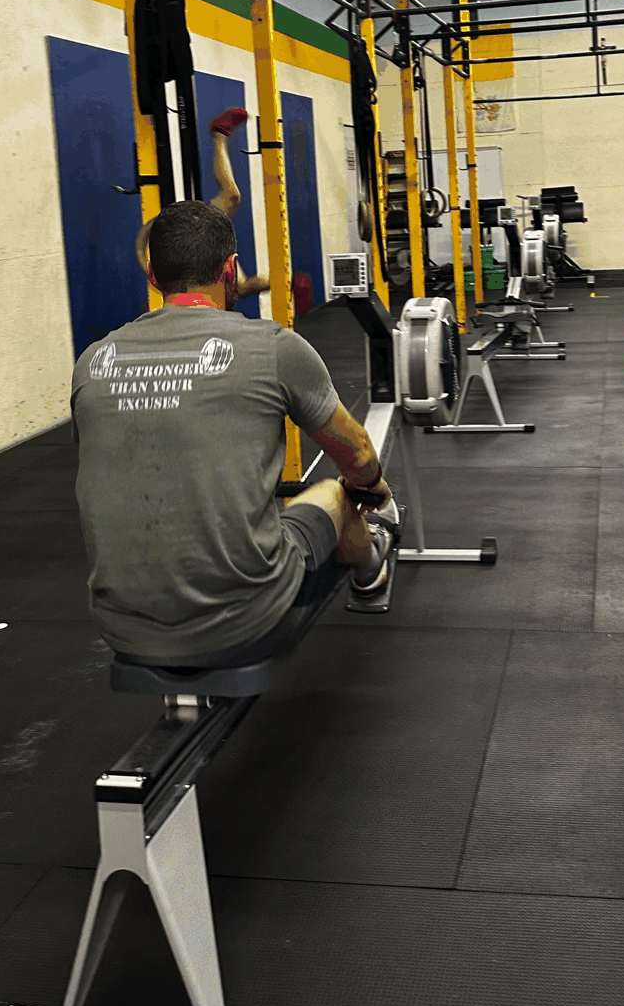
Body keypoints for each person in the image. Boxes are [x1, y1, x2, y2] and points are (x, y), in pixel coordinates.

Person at [74, 200, 396, 667]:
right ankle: (372, 576)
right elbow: (359, 451)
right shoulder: (273, 347)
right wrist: (371, 486)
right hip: (250, 624)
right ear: (230, 270)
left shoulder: (92, 362)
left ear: (152, 275)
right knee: (335, 493)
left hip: (120, 629)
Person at [134, 107, 270, 300]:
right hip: (192, 245)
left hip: (198, 241)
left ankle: (287, 283)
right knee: (232, 196)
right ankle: (219, 134)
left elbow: (142, 245)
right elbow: (142, 244)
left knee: (240, 287)